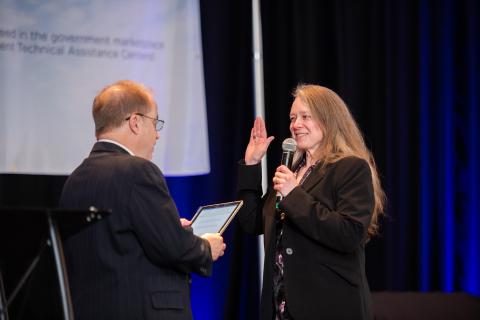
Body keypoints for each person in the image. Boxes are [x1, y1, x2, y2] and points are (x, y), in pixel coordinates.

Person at [60, 80, 226, 320]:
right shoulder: (138, 171)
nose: (157, 134)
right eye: (155, 122)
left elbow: (116, 240)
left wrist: (166, 225)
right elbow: (174, 248)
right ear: (135, 122)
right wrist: (204, 247)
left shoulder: (75, 179)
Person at [237, 84, 385, 320]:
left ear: (329, 120)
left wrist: (294, 194)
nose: (296, 125)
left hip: (329, 306)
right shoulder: (292, 171)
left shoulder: (350, 168)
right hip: (282, 306)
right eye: (293, 118)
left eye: (306, 117)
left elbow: (349, 233)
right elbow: (252, 222)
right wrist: (252, 164)